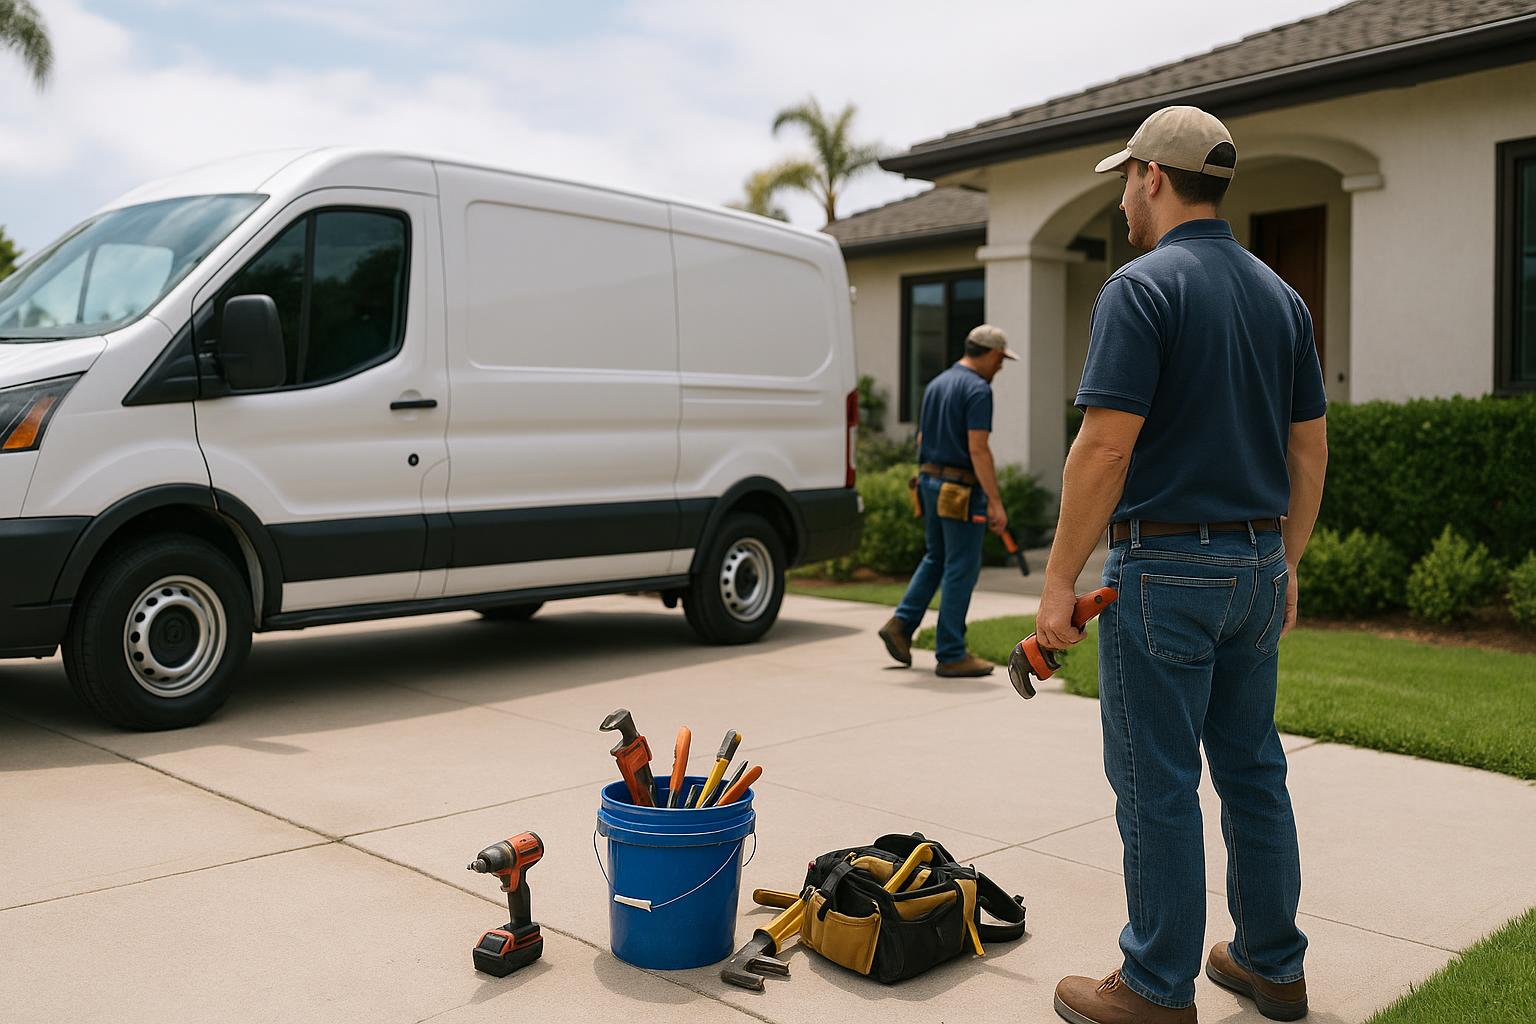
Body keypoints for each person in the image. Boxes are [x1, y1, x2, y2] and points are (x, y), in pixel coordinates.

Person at [1044, 106, 1329, 1024]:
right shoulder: (1282, 298)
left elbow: (1103, 448)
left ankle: (1156, 986)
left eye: (1125, 177)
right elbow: (1310, 452)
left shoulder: (1141, 288)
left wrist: (1056, 584)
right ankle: (1270, 965)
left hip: (1165, 571)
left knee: (1156, 781)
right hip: (1254, 563)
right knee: (1252, 768)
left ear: (1154, 178)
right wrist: (1282, 564)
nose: (1123, 195)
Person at [878, 324, 1014, 677]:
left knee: (936, 557)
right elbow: (978, 448)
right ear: (992, 353)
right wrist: (996, 502)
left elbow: (922, 437)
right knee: (961, 566)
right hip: (960, 492)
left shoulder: (937, 384)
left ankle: (901, 624)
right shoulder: (978, 389)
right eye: (1001, 360)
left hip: (928, 480)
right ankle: (951, 653)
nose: (1001, 368)